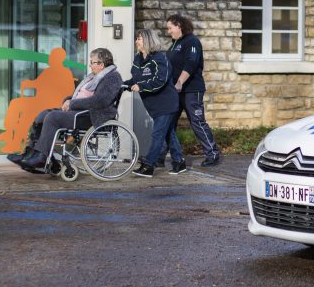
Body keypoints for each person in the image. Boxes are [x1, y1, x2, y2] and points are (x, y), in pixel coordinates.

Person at [16, 47, 122, 173]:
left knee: (52, 118)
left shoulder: (112, 78)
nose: (90, 65)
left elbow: (100, 101)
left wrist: (72, 104)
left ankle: (42, 157)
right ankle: (31, 153)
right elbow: (80, 95)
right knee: (42, 115)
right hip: (80, 111)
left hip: (91, 115)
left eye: (92, 62)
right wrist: (69, 100)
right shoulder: (94, 76)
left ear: (101, 64)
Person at [126, 28, 185, 177]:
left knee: (157, 134)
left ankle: (149, 165)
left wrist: (142, 86)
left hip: (166, 104)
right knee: (168, 134)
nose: (136, 41)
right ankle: (179, 162)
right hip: (153, 106)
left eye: (139, 38)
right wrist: (123, 84)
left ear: (148, 40)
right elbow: (135, 79)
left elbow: (160, 80)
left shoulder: (159, 58)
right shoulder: (138, 59)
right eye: (137, 38)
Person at [165, 13, 221, 167]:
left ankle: (213, 154)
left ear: (179, 26)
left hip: (191, 90)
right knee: (168, 123)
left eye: (170, 28)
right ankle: (159, 156)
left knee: (197, 122)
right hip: (175, 92)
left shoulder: (192, 42)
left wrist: (180, 82)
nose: (168, 31)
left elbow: (191, 63)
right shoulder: (174, 44)